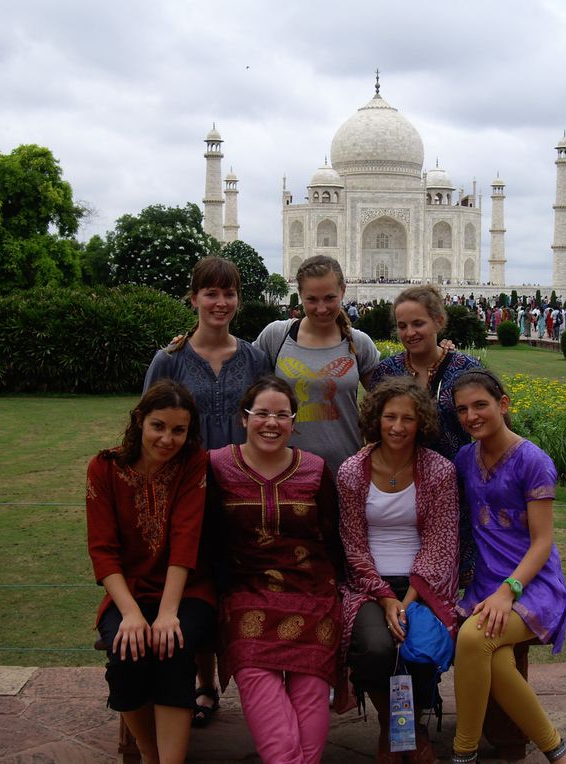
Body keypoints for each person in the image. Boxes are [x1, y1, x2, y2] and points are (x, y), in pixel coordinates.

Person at [144, 255, 269, 726]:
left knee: (236, 582)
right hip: (186, 489)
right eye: (211, 293)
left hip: (242, 491)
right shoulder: (171, 359)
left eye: (228, 293)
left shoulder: (256, 356)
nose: (220, 303)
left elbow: (270, 418)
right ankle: (204, 683)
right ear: (194, 298)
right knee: (194, 577)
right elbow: (149, 427)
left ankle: (251, 682)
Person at [208, 376, 344, 764]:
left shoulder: (315, 470)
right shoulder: (217, 466)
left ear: (294, 422)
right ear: (244, 418)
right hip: (245, 593)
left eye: (282, 415)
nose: (272, 423)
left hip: (312, 593)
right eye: (262, 413)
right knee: (255, 674)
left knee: (310, 684)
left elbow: (333, 538)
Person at [86, 380, 213, 764]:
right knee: (127, 654)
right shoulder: (104, 467)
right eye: (158, 426)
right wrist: (130, 614)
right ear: (139, 420)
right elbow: (102, 550)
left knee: (171, 647)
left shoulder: (194, 464)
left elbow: (185, 540)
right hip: (128, 591)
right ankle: (148, 753)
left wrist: (168, 613)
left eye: (179, 430)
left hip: (188, 590)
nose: (167, 439)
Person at [449, 370, 566, 764]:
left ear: (503, 404)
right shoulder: (465, 458)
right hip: (486, 584)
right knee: (495, 655)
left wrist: (508, 592)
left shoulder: (532, 460)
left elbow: (542, 542)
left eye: (480, 405)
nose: (471, 416)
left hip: (531, 583)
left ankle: (463, 752)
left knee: (472, 639)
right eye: (462, 410)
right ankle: (558, 751)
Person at [338, 378, 459, 764]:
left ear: (420, 421)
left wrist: (406, 600)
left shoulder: (438, 470)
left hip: (424, 583)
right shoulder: (352, 471)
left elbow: (441, 543)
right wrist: (385, 597)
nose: (398, 426)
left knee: (419, 648)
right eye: (390, 416)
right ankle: (394, 727)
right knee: (376, 648)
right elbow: (353, 545)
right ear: (377, 418)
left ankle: (415, 728)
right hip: (368, 584)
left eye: (408, 418)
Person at [254, 255, 380, 475]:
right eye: (312, 299)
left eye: (330, 297)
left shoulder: (358, 343)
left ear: (343, 291)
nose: (321, 308)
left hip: (345, 470)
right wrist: (192, 340)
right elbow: (239, 376)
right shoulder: (277, 336)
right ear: (299, 295)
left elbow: (387, 401)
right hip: (284, 472)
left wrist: (435, 355)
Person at [370, 286, 481, 459]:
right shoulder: (387, 371)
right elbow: (374, 429)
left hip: (456, 477)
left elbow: (491, 426)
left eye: (418, 323)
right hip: (399, 478)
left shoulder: (466, 368)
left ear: (439, 321)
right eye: (402, 326)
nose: (410, 333)